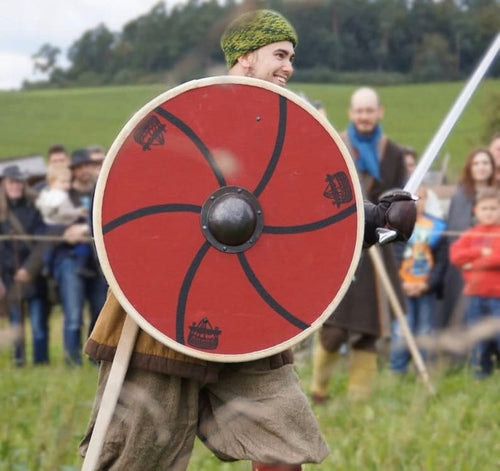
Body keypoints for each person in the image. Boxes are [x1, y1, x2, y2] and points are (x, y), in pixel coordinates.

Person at [79, 10, 416, 471]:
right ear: (245, 56)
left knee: (282, 450)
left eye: (291, 57)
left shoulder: (281, 131)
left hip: (248, 316)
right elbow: (134, 207)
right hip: (162, 323)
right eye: (279, 54)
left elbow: (307, 224)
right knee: (137, 457)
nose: (288, 67)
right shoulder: (192, 122)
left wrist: (377, 218)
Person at [310, 86, 408, 403]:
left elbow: (402, 205)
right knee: (334, 329)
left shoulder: (393, 154)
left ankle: (357, 402)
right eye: (359, 111)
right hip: (341, 250)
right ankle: (319, 392)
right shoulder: (333, 144)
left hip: (378, 251)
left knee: (369, 331)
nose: (364, 117)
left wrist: (386, 221)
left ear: (380, 113)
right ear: (351, 114)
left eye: (370, 111)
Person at [51, 149, 107, 365]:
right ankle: (72, 360)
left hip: (97, 263)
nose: (85, 170)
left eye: (88, 166)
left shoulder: (102, 193)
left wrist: (85, 230)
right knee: (73, 315)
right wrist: (64, 233)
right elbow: (47, 225)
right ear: (74, 170)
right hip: (70, 261)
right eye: (80, 167)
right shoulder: (62, 195)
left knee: (98, 312)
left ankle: (95, 358)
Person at [389, 185, 448, 374]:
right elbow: (392, 259)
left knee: (425, 329)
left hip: (425, 288)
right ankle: (398, 369)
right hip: (404, 287)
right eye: (413, 197)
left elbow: (441, 263)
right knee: (401, 330)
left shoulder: (438, 228)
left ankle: (423, 369)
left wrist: (427, 284)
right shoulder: (396, 225)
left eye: (421, 198)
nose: (417, 202)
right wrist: (402, 282)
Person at [436, 148, 495, 332]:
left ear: (492, 166)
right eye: (476, 163)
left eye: (485, 163)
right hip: (466, 266)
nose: (481, 167)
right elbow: (455, 233)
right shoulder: (461, 195)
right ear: (470, 167)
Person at [0, 165, 50, 366]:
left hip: (33, 276)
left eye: (19, 182)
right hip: (9, 278)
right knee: (16, 323)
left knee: (38, 323)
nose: (16, 186)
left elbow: (43, 242)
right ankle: (19, 361)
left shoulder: (35, 208)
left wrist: (29, 269)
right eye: (12, 182)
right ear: (4, 184)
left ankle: (41, 363)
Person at [449, 187, 500, 378]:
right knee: (478, 338)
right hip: (475, 296)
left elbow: (497, 258)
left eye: (493, 208)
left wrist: (473, 263)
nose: (489, 212)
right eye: (485, 208)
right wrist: (480, 253)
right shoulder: (471, 235)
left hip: (497, 297)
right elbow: (456, 256)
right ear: (476, 211)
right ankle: (479, 375)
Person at [35, 163, 92, 277]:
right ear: (52, 182)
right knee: (83, 244)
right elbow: (66, 212)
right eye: (63, 182)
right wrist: (79, 212)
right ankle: (80, 266)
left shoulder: (45, 195)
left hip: (50, 225)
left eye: (68, 181)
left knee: (49, 249)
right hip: (62, 226)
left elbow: (40, 206)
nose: (67, 185)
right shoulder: (61, 197)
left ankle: (46, 266)